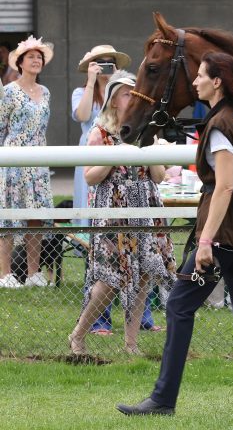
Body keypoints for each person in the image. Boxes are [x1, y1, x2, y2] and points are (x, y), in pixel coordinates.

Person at [117, 51, 233, 417]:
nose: (195, 81)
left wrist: (206, 241)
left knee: (179, 304)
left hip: (223, 232)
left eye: (201, 76)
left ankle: (163, 400)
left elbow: (224, 187)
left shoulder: (220, 125)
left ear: (217, 81)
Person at [67, 71, 175, 355]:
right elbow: (90, 177)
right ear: (114, 101)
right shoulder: (100, 133)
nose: (133, 98)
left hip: (146, 206)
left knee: (143, 276)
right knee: (109, 280)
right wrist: (117, 153)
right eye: (127, 94)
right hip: (114, 209)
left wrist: (151, 149)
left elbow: (159, 177)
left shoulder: (145, 130)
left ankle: (131, 344)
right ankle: (78, 335)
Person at [0, 36, 55, 289]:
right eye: (31, 56)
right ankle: (5, 274)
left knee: (36, 216)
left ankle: (34, 273)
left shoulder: (46, 92)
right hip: (13, 160)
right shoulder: (9, 91)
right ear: (20, 62)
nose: (36, 60)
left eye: (39, 57)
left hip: (39, 161)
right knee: (9, 216)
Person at [71, 45, 132, 227]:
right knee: (87, 195)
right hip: (90, 151)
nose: (105, 66)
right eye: (100, 62)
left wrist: (117, 80)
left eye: (110, 62)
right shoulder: (80, 92)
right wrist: (91, 81)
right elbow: (82, 116)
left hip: (118, 148)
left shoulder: (123, 93)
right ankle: (87, 235)